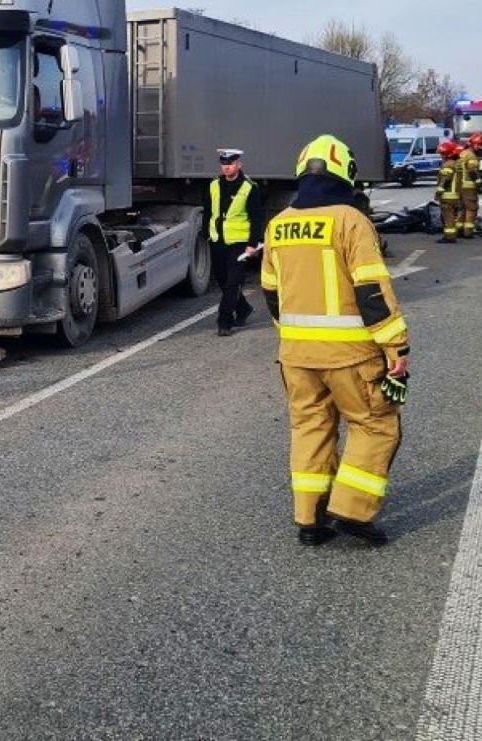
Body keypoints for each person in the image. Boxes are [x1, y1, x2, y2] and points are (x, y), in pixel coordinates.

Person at [260, 134, 410, 546]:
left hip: (295, 355)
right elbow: (371, 292)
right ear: (346, 172)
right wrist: (396, 347)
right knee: (375, 425)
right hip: (351, 355)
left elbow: (271, 293)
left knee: (310, 427)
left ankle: (310, 519)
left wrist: (293, 338)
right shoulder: (350, 220)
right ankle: (351, 510)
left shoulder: (278, 225)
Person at [203, 148, 265, 336]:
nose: (227, 167)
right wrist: (206, 234)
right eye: (224, 164)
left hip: (239, 242)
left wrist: (253, 244)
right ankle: (244, 308)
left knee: (232, 283)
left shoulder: (249, 187)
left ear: (239, 165)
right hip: (218, 241)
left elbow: (256, 218)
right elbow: (208, 211)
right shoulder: (213, 185)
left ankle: (224, 321)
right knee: (222, 281)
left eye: (230, 164)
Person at [458, 132, 482, 238]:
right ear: (472, 144)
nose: (479, 147)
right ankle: (468, 232)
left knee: (462, 209)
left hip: (460, 186)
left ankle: (459, 230)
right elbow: (472, 171)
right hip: (469, 187)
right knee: (471, 209)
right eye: (478, 145)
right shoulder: (471, 156)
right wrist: (479, 184)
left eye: (480, 145)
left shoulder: (463, 153)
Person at [434, 141, 462, 244]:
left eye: (442, 154)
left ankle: (449, 237)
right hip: (455, 195)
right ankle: (451, 235)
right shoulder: (457, 164)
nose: (441, 156)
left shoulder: (448, 165)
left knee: (448, 216)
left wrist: (438, 193)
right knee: (452, 216)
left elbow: (445, 180)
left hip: (448, 195)